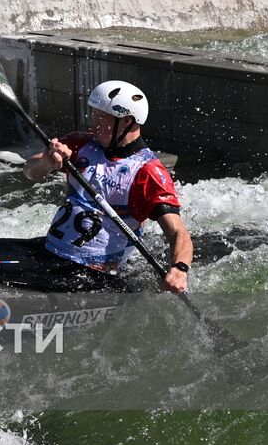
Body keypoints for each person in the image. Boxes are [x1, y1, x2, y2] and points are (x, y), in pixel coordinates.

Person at [23, 80, 194, 293]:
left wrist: (179, 269)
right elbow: (29, 171)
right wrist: (46, 163)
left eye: (101, 119)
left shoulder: (148, 172)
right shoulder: (80, 144)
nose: (92, 125)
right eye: (93, 116)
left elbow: (178, 233)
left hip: (95, 274)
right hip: (51, 252)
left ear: (127, 123)